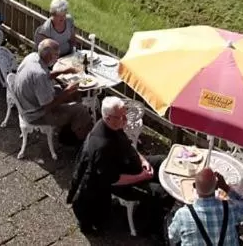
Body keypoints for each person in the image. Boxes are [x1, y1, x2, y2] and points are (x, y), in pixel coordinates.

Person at [67, 97, 171, 235]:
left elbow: (128, 145)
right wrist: (141, 176)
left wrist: (143, 161)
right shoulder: (102, 146)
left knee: (163, 162)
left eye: (125, 114)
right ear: (108, 118)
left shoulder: (113, 125)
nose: (125, 120)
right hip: (121, 179)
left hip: (130, 163)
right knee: (160, 193)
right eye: (121, 117)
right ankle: (149, 227)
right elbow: (113, 179)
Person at [10, 39, 91, 144]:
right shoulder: (40, 75)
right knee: (80, 109)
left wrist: (63, 71)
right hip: (36, 114)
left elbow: (45, 75)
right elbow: (48, 106)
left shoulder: (33, 57)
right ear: (48, 56)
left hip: (28, 101)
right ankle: (81, 142)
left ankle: (72, 127)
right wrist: (67, 91)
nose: (57, 58)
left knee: (73, 94)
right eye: (56, 55)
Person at [167, 168, 243, 246]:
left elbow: (171, 237)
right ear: (216, 187)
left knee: (171, 218)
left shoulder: (183, 214)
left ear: (194, 186)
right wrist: (226, 188)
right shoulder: (230, 208)